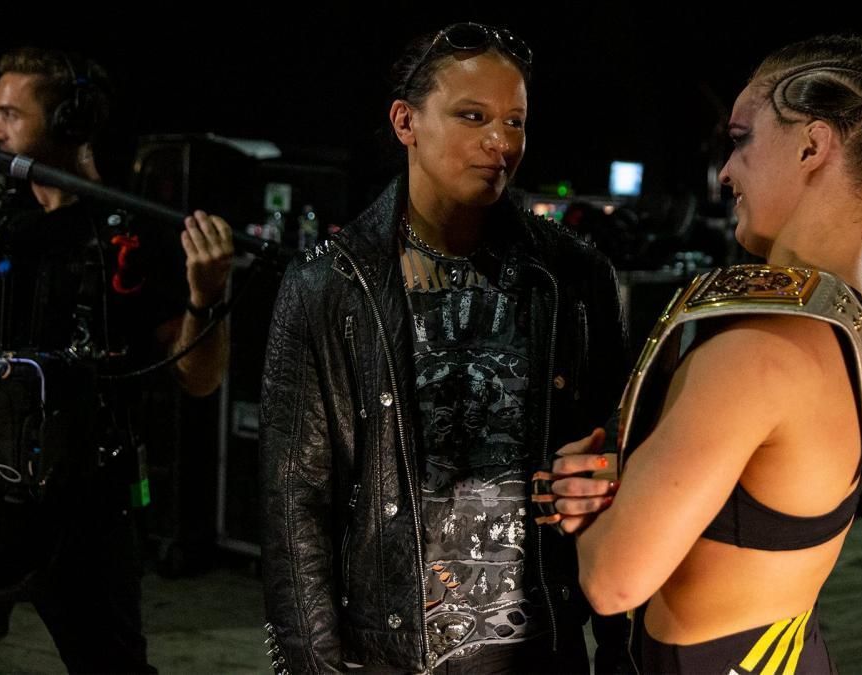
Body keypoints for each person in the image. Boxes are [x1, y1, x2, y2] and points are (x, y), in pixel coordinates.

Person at [545, 35, 862, 673]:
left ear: (812, 146)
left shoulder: (760, 349)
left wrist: (584, 507)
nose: (725, 171)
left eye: (741, 139)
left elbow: (613, 581)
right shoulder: (850, 310)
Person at [259, 23, 629, 673]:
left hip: (542, 646)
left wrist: (623, 649)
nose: (501, 142)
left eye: (515, 121)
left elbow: (622, 455)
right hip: (394, 650)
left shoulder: (574, 276)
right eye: (472, 116)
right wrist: (313, 662)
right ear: (406, 121)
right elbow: (295, 502)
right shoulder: (329, 286)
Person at [0, 47, 233, 672]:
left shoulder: (132, 234)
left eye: (9, 115)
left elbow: (200, 380)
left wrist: (206, 295)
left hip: (88, 503)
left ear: (69, 125)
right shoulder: (3, 221)